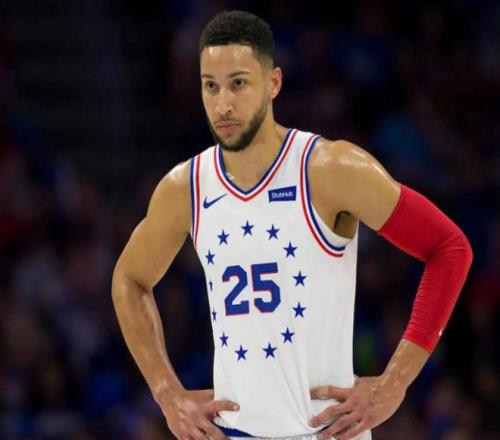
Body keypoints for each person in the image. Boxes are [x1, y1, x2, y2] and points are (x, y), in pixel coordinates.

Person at [111, 10, 473, 440]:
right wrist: (166, 392)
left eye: (238, 83)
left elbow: (449, 247)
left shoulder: (331, 168)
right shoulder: (185, 187)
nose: (223, 103)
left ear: (273, 83)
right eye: (211, 86)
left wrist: (397, 381)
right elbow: (129, 279)